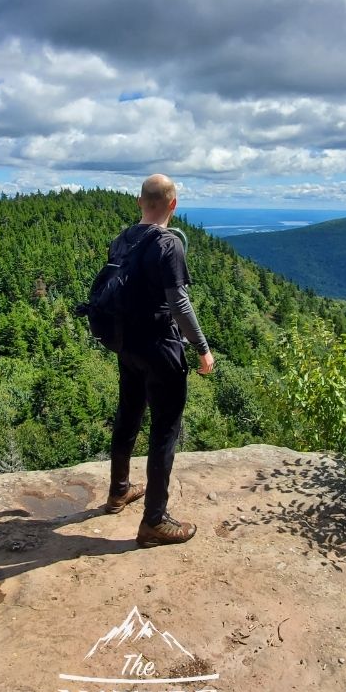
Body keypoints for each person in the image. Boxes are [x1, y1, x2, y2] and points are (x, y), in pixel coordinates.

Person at [104, 173, 215, 547]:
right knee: (165, 431)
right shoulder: (168, 244)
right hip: (160, 349)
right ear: (173, 205)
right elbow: (179, 303)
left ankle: (119, 491)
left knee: (128, 414)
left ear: (140, 202)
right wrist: (202, 348)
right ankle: (154, 521)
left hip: (126, 346)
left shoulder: (122, 239)